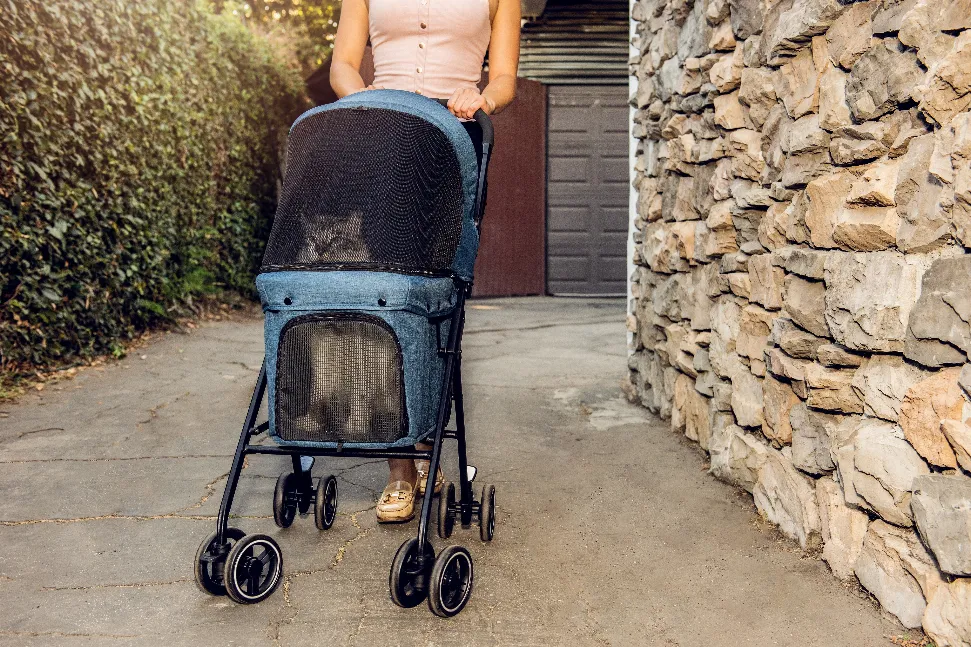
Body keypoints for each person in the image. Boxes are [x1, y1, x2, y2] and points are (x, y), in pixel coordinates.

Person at [324, 0, 521, 523]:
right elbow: (342, 64)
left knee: (432, 294)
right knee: (384, 291)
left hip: (450, 143)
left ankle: (424, 448)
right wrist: (363, 98)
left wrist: (480, 97)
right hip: (379, 137)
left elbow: (504, 78)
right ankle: (401, 469)